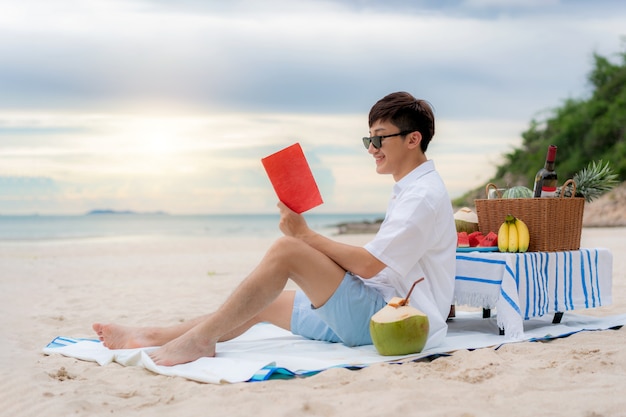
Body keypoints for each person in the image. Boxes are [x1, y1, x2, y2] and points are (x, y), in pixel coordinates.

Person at [93, 91, 457, 366]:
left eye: (379, 138)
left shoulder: (421, 196)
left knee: (287, 251)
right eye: (369, 139)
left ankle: (200, 340)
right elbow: (376, 266)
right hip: (378, 306)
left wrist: (303, 236)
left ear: (414, 139)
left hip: (393, 320)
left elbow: (368, 265)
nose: (372, 148)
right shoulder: (411, 189)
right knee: (263, 302)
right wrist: (311, 245)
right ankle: (151, 335)